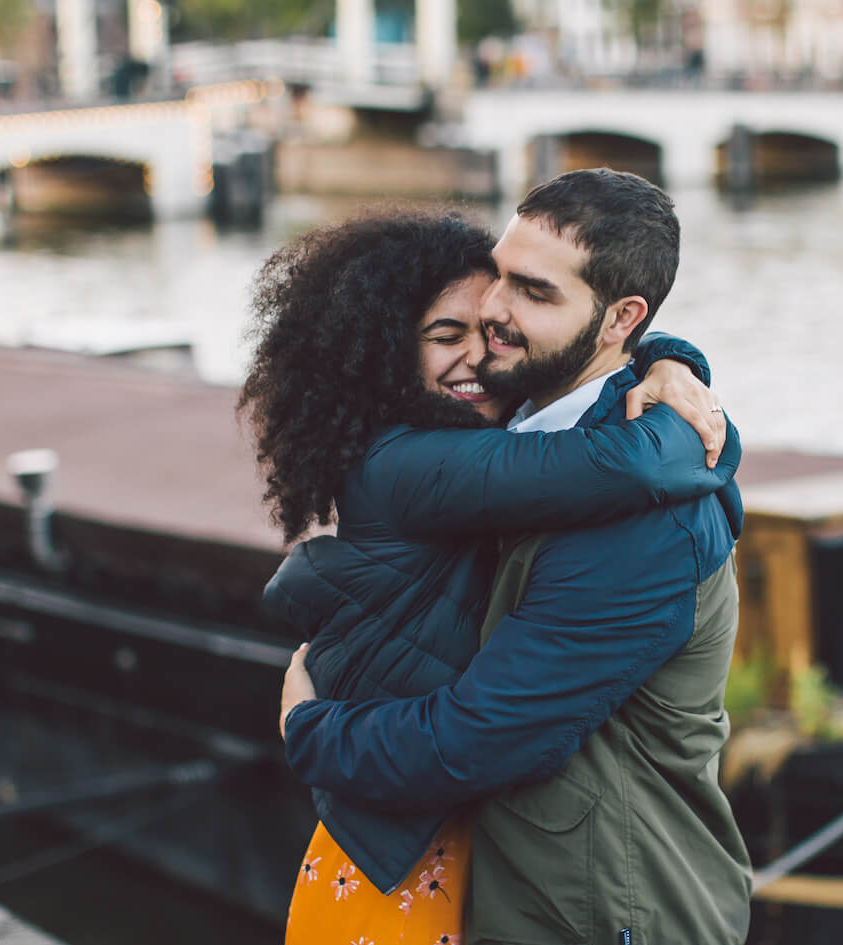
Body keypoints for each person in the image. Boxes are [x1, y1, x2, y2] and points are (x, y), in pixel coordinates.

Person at [238, 207, 740, 945]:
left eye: (503, 316)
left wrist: (667, 359)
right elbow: (624, 462)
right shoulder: (409, 462)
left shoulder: (483, 431)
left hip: (440, 839)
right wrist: (701, 429)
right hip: (401, 856)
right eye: (446, 336)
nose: (483, 350)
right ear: (386, 353)